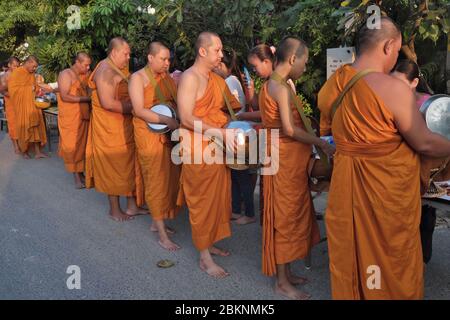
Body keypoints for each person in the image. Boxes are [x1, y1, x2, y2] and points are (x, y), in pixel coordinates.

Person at [318, 17, 450, 299]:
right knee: (389, 261)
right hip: (385, 197)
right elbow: (425, 143)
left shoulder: (332, 87)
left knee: (353, 253)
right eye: (398, 50)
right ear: (389, 46)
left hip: (346, 187)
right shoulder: (394, 89)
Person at [259, 37, 332, 300]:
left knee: (291, 214)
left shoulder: (278, 84)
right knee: (285, 218)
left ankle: (286, 273)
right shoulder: (278, 87)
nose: (305, 66)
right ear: (292, 59)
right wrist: (320, 143)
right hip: (282, 160)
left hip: (287, 159)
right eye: (304, 60)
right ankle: (281, 282)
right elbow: (289, 130)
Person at [177, 31, 241, 278]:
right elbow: (186, 117)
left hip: (215, 144)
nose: (221, 55)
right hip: (197, 148)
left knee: (217, 197)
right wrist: (220, 133)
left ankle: (210, 242)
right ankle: (204, 258)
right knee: (203, 201)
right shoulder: (190, 78)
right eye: (217, 50)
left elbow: (230, 109)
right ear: (202, 51)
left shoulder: (215, 79)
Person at [392, 59, 449, 264]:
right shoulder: (393, 103)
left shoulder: (431, 105)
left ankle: (421, 259)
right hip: (402, 171)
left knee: (425, 218)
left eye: (400, 83)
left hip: (428, 170)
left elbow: (439, 138)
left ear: (415, 82)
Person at [85, 37, 146, 222]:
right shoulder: (105, 70)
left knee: (128, 165)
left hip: (123, 125)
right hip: (110, 128)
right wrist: (136, 108)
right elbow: (108, 103)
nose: (128, 57)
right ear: (114, 53)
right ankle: (114, 209)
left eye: (129, 53)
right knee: (113, 166)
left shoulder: (117, 69)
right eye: (125, 54)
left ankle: (132, 205)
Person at [129, 42, 181, 251]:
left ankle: (157, 221)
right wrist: (166, 120)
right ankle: (161, 235)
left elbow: (175, 101)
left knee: (168, 179)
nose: (167, 63)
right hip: (148, 134)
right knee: (155, 180)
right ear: (150, 58)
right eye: (163, 59)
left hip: (167, 134)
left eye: (169, 59)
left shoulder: (167, 79)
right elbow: (140, 110)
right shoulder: (138, 78)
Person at [214, 48, 256, 225]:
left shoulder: (229, 82)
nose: (215, 68)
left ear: (226, 66)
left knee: (241, 175)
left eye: (218, 65)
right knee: (237, 174)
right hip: (237, 131)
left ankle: (248, 212)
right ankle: (237, 209)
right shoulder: (231, 80)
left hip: (238, 133)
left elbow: (234, 110)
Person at [57, 52, 92, 189]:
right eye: (86, 65)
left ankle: (81, 172)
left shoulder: (86, 75)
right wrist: (86, 99)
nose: (88, 67)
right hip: (71, 117)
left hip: (83, 115)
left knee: (82, 145)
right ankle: (76, 176)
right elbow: (65, 96)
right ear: (77, 62)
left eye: (89, 65)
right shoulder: (65, 74)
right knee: (73, 145)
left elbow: (90, 90)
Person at [8, 55, 48, 159]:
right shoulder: (17, 73)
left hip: (33, 105)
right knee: (24, 129)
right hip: (22, 107)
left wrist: (39, 90)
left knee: (37, 128)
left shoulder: (31, 74)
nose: (34, 69)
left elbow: (35, 86)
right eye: (34, 66)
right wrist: (29, 88)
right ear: (28, 63)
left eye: (36, 67)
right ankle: (24, 151)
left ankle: (38, 152)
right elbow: (13, 91)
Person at [0, 57, 21, 153]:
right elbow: (2, 91)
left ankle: (23, 143)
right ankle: (16, 146)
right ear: (9, 65)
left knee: (21, 124)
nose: (17, 68)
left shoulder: (20, 74)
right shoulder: (5, 77)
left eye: (18, 66)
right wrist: (13, 95)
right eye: (14, 66)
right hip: (11, 103)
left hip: (20, 103)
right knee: (13, 125)